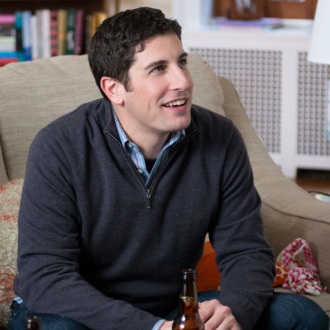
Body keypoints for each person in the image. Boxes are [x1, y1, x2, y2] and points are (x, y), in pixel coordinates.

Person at [9, 7, 329, 330]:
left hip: (175, 308)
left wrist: (232, 311)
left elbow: (246, 252)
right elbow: (45, 277)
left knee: (303, 316)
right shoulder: (58, 147)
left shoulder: (220, 138)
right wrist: (150, 328)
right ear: (113, 89)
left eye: (182, 62)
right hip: (77, 312)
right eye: (159, 68)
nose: (183, 81)